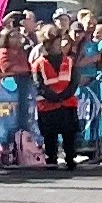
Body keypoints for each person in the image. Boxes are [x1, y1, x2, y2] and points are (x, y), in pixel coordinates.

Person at [35, 30, 81, 169]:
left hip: (68, 103)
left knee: (70, 133)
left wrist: (64, 95)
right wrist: (54, 97)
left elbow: (74, 81)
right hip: (48, 105)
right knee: (50, 135)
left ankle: (70, 158)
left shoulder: (69, 61)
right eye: (54, 43)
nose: (58, 46)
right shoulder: (38, 64)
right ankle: (51, 158)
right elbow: (39, 84)